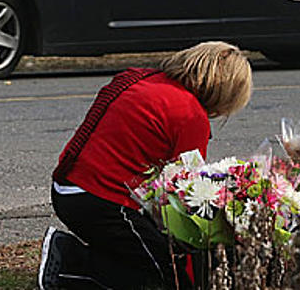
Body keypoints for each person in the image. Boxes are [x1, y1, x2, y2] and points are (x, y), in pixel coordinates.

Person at [38, 41, 253, 290]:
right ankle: (68, 263)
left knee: (143, 252)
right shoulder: (190, 115)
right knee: (168, 277)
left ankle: (88, 256)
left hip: (66, 188)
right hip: (101, 202)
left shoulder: (138, 77)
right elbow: (188, 193)